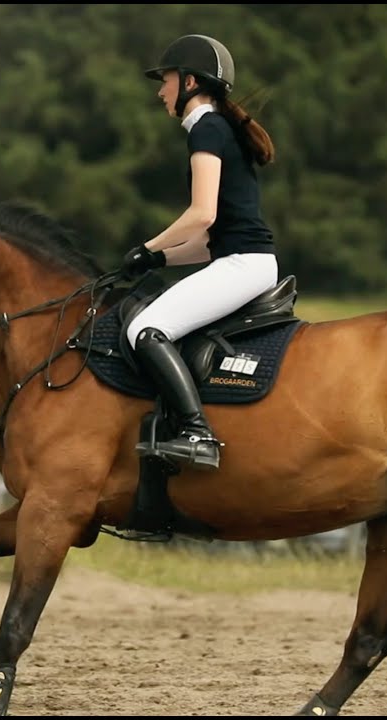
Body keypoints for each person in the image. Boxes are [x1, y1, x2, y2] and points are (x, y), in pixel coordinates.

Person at [120, 34, 278, 471]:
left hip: (244, 265)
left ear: (189, 82)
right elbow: (207, 243)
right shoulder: (215, 127)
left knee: (146, 329)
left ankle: (198, 433)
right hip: (240, 260)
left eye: (165, 81)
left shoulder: (207, 127)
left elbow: (201, 215)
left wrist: (147, 245)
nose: (160, 91)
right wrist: (157, 260)